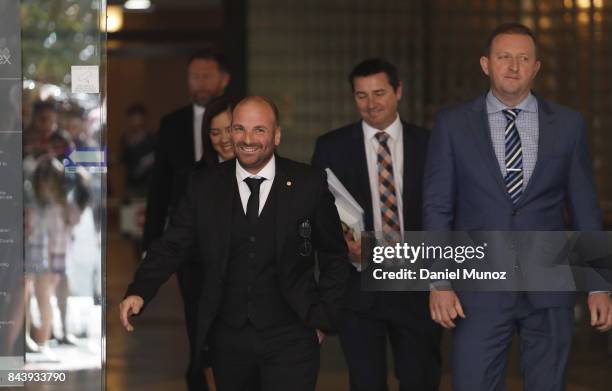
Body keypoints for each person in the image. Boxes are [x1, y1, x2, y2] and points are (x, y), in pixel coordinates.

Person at [423, 22, 612, 391]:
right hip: (477, 288)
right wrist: (438, 280)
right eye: (504, 57)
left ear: (536, 67)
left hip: (549, 285)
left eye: (523, 58)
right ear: (485, 64)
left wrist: (598, 285)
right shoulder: (453, 124)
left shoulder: (569, 125)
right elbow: (437, 205)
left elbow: (585, 207)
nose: (513, 66)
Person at [120, 96, 350, 391]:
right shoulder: (204, 185)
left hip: (292, 334)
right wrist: (140, 290)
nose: (247, 139)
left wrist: (323, 318)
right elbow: (173, 244)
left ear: (277, 134)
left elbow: (334, 255)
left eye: (259, 130)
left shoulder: (308, 183)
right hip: (229, 339)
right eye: (238, 129)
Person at [312, 58, 442, 390]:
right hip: (359, 287)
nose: (371, 104)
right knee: (365, 382)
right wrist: (342, 244)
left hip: (417, 286)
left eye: (380, 93)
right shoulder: (331, 148)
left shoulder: (431, 144)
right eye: (361, 95)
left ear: (398, 91)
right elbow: (318, 214)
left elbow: (446, 210)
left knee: (420, 380)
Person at [142, 50, 230, 391]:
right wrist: (152, 243)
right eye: (194, 76)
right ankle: (200, 375)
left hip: (233, 238)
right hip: (189, 242)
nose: (200, 82)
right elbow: (159, 188)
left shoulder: (242, 118)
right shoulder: (172, 123)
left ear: (224, 79)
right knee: (198, 317)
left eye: (207, 76)